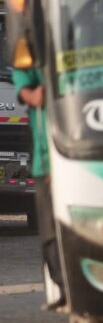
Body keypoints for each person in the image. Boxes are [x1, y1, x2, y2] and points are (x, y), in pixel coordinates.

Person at [12, 66, 61, 307]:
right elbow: (26, 92)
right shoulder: (30, 55)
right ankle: (62, 285)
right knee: (51, 231)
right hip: (49, 162)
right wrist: (34, 96)